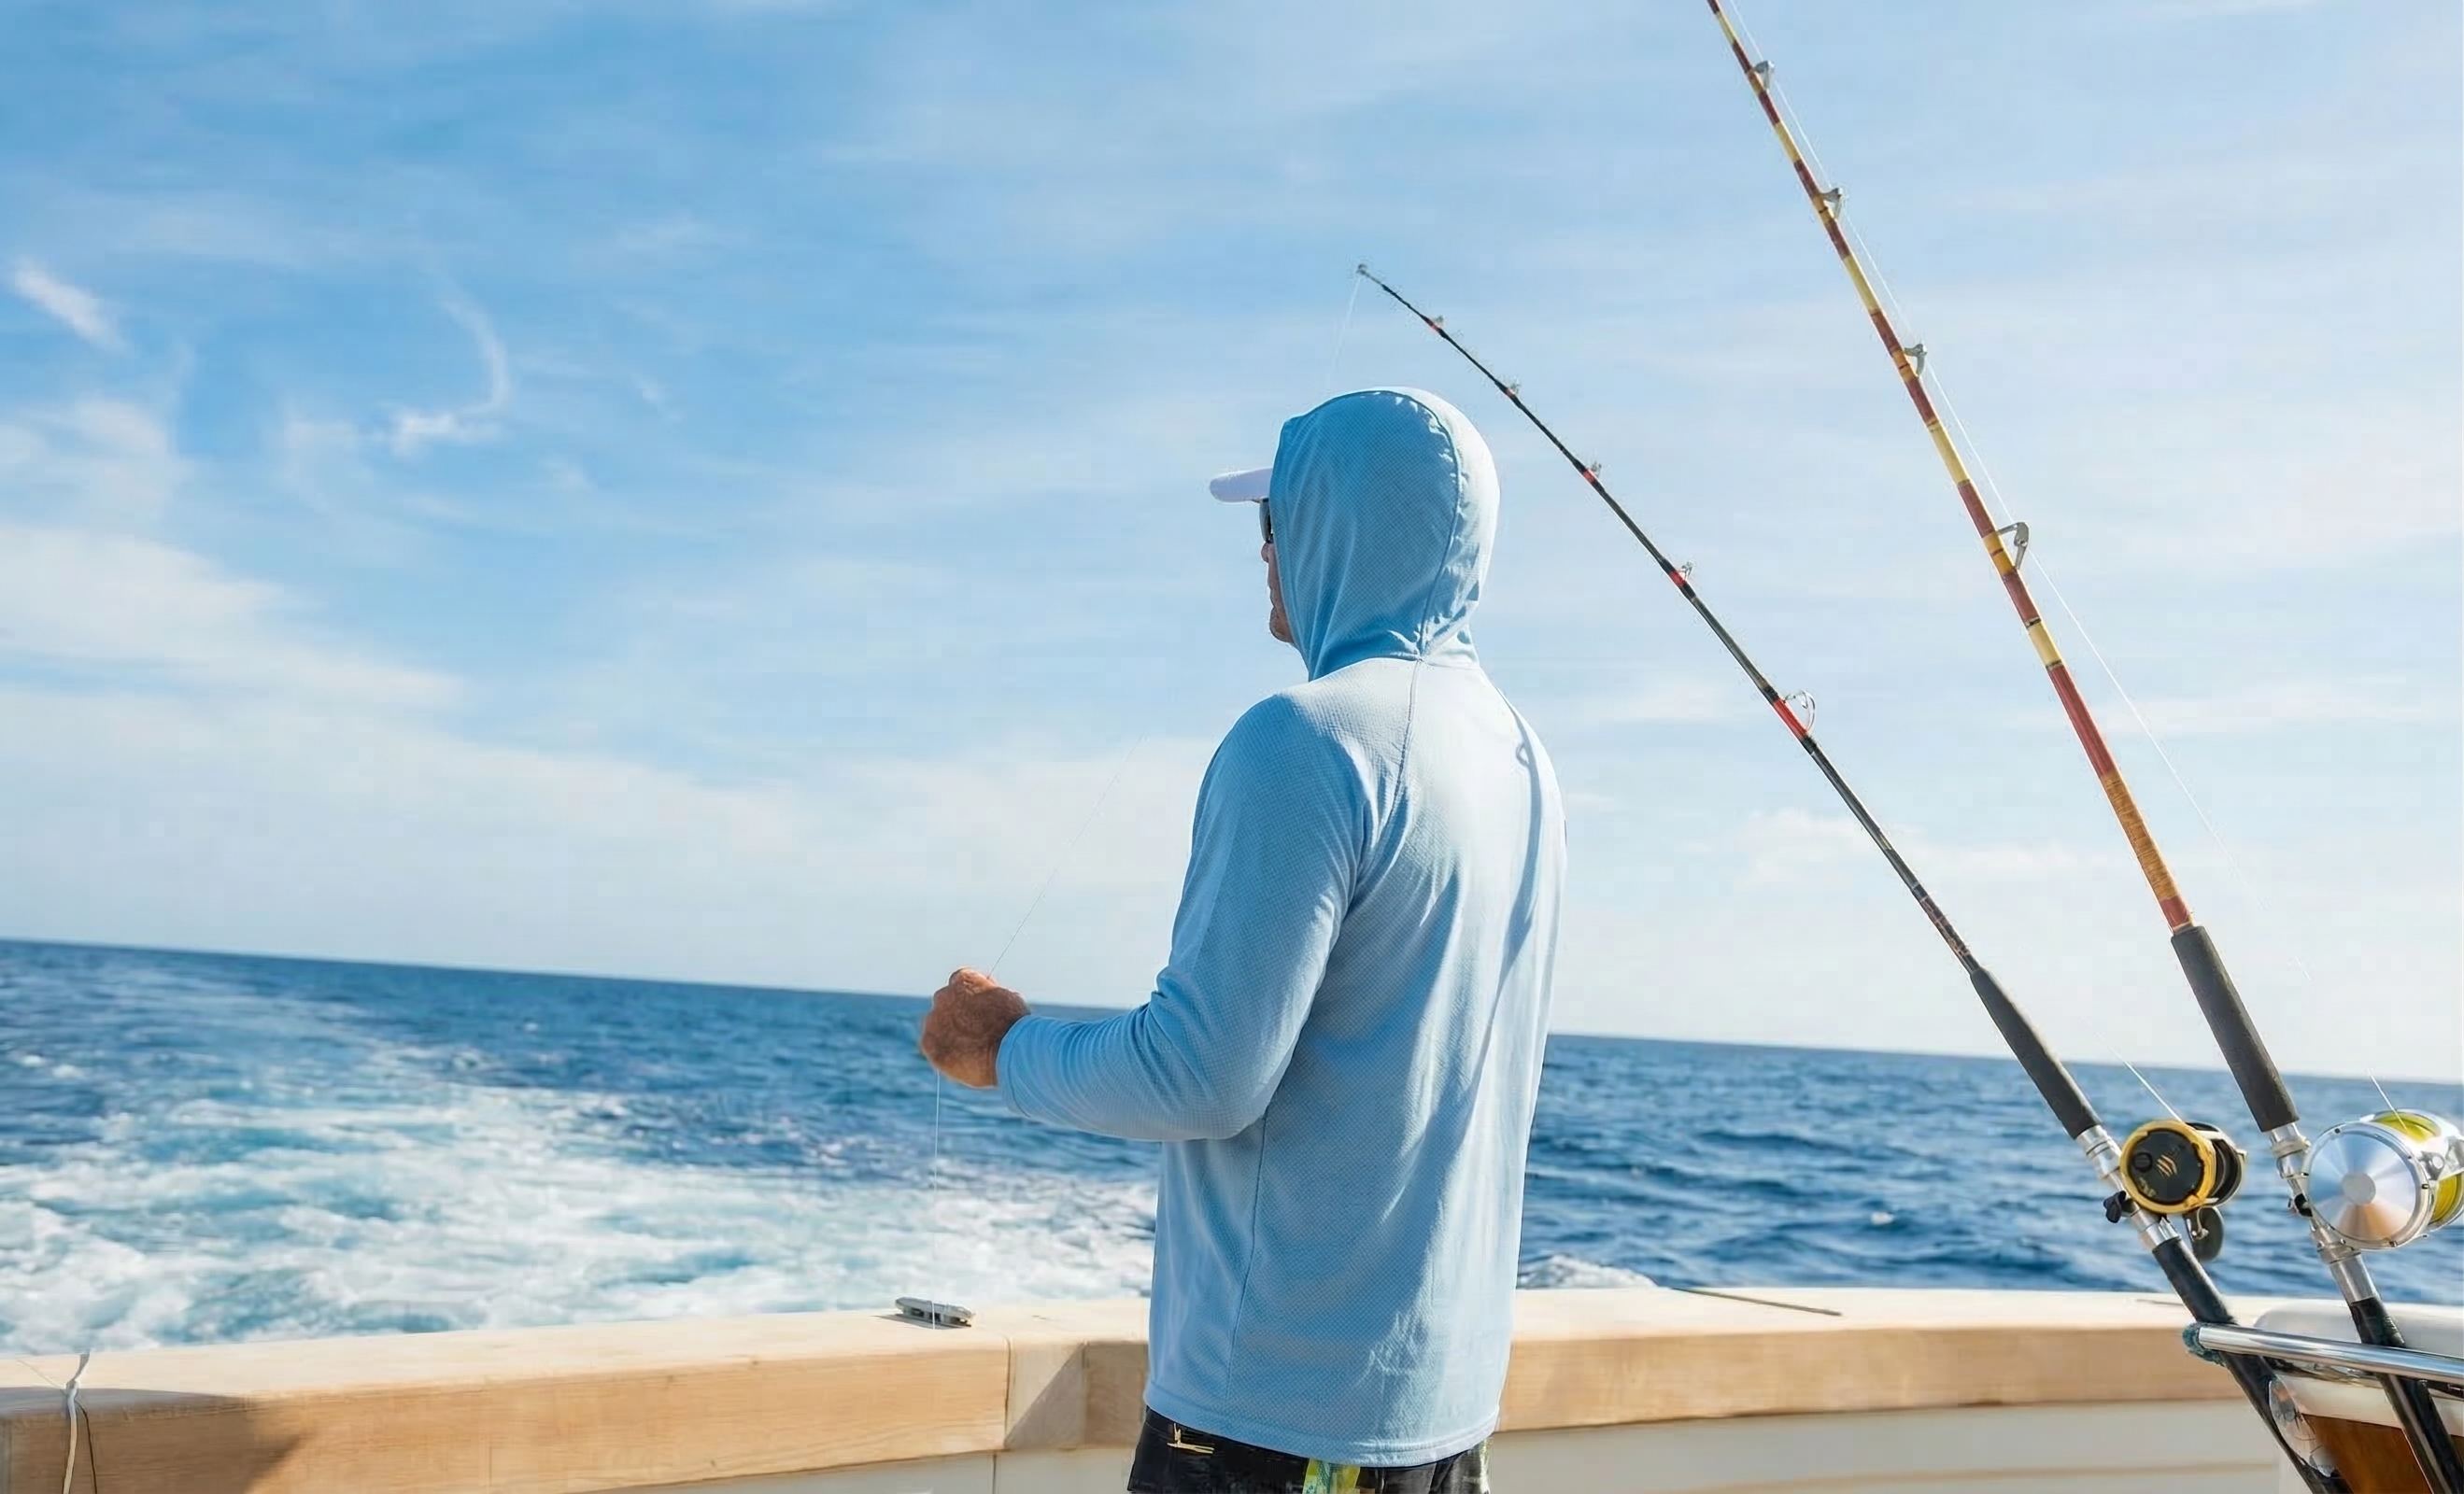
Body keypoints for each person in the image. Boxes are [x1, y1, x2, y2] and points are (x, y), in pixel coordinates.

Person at [921, 388, 1565, 1494]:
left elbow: (1201, 1075)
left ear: (1334, 527)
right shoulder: (1520, 761)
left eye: (1277, 518)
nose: (1263, 553)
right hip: (1443, 1427)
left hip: (1266, 1430)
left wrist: (1001, 1050)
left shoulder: (1308, 740)